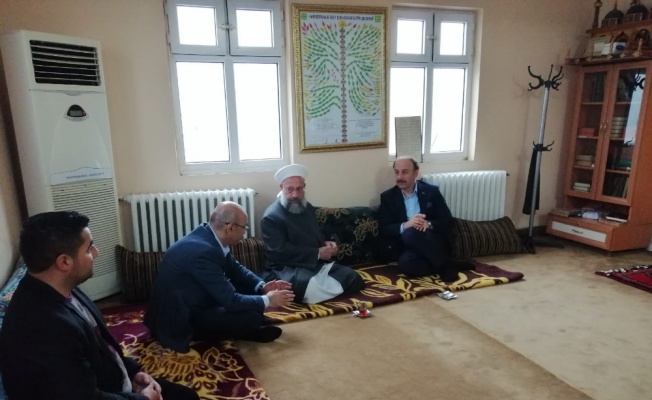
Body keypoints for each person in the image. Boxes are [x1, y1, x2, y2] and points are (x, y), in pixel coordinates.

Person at [0, 211, 199, 400]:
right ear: (64, 262)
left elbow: (102, 344)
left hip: (111, 380)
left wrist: (133, 373)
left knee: (186, 396)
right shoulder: (44, 329)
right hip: (101, 391)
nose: (96, 253)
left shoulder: (58, 285)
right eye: (88, 249)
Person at [144, 201, 294, 353]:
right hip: (181, 319)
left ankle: (246, 327)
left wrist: (262, 287)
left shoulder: (209, 235)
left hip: (195, 297)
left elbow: (236, 270)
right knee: (251, 317)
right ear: (230, 228)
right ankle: (247, 331)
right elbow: (231, 301)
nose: (245, 232)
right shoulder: (203, 252)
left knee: (252, 292)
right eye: (244, 227)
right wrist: (268, 300)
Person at [261, 164, 365, 304]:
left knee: (352, 277)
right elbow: (278, 253)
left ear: (304, 187)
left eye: (299, 189)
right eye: (290, 189)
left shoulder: (306, 207)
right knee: (310, 287)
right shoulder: (272, 217)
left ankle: (324, 295)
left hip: (314, 264)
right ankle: (325, 293)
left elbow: (312, 234)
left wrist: (325, 243)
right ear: (281, 187)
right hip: (286, 268)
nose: (295, 195)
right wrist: (317, 253)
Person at [378, 156, 475, 282]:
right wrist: (406, 225)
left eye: (405, 172)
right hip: (407, 246)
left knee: (411, 233)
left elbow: (448, 221)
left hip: (431, 239)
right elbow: (384, 228)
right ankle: (447, 262)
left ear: (416, 173)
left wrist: (427, 224)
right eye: (397, 172)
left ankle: (444, 267)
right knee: (406, 264)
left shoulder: (431, 192)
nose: (400, 177)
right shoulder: (388, 197)